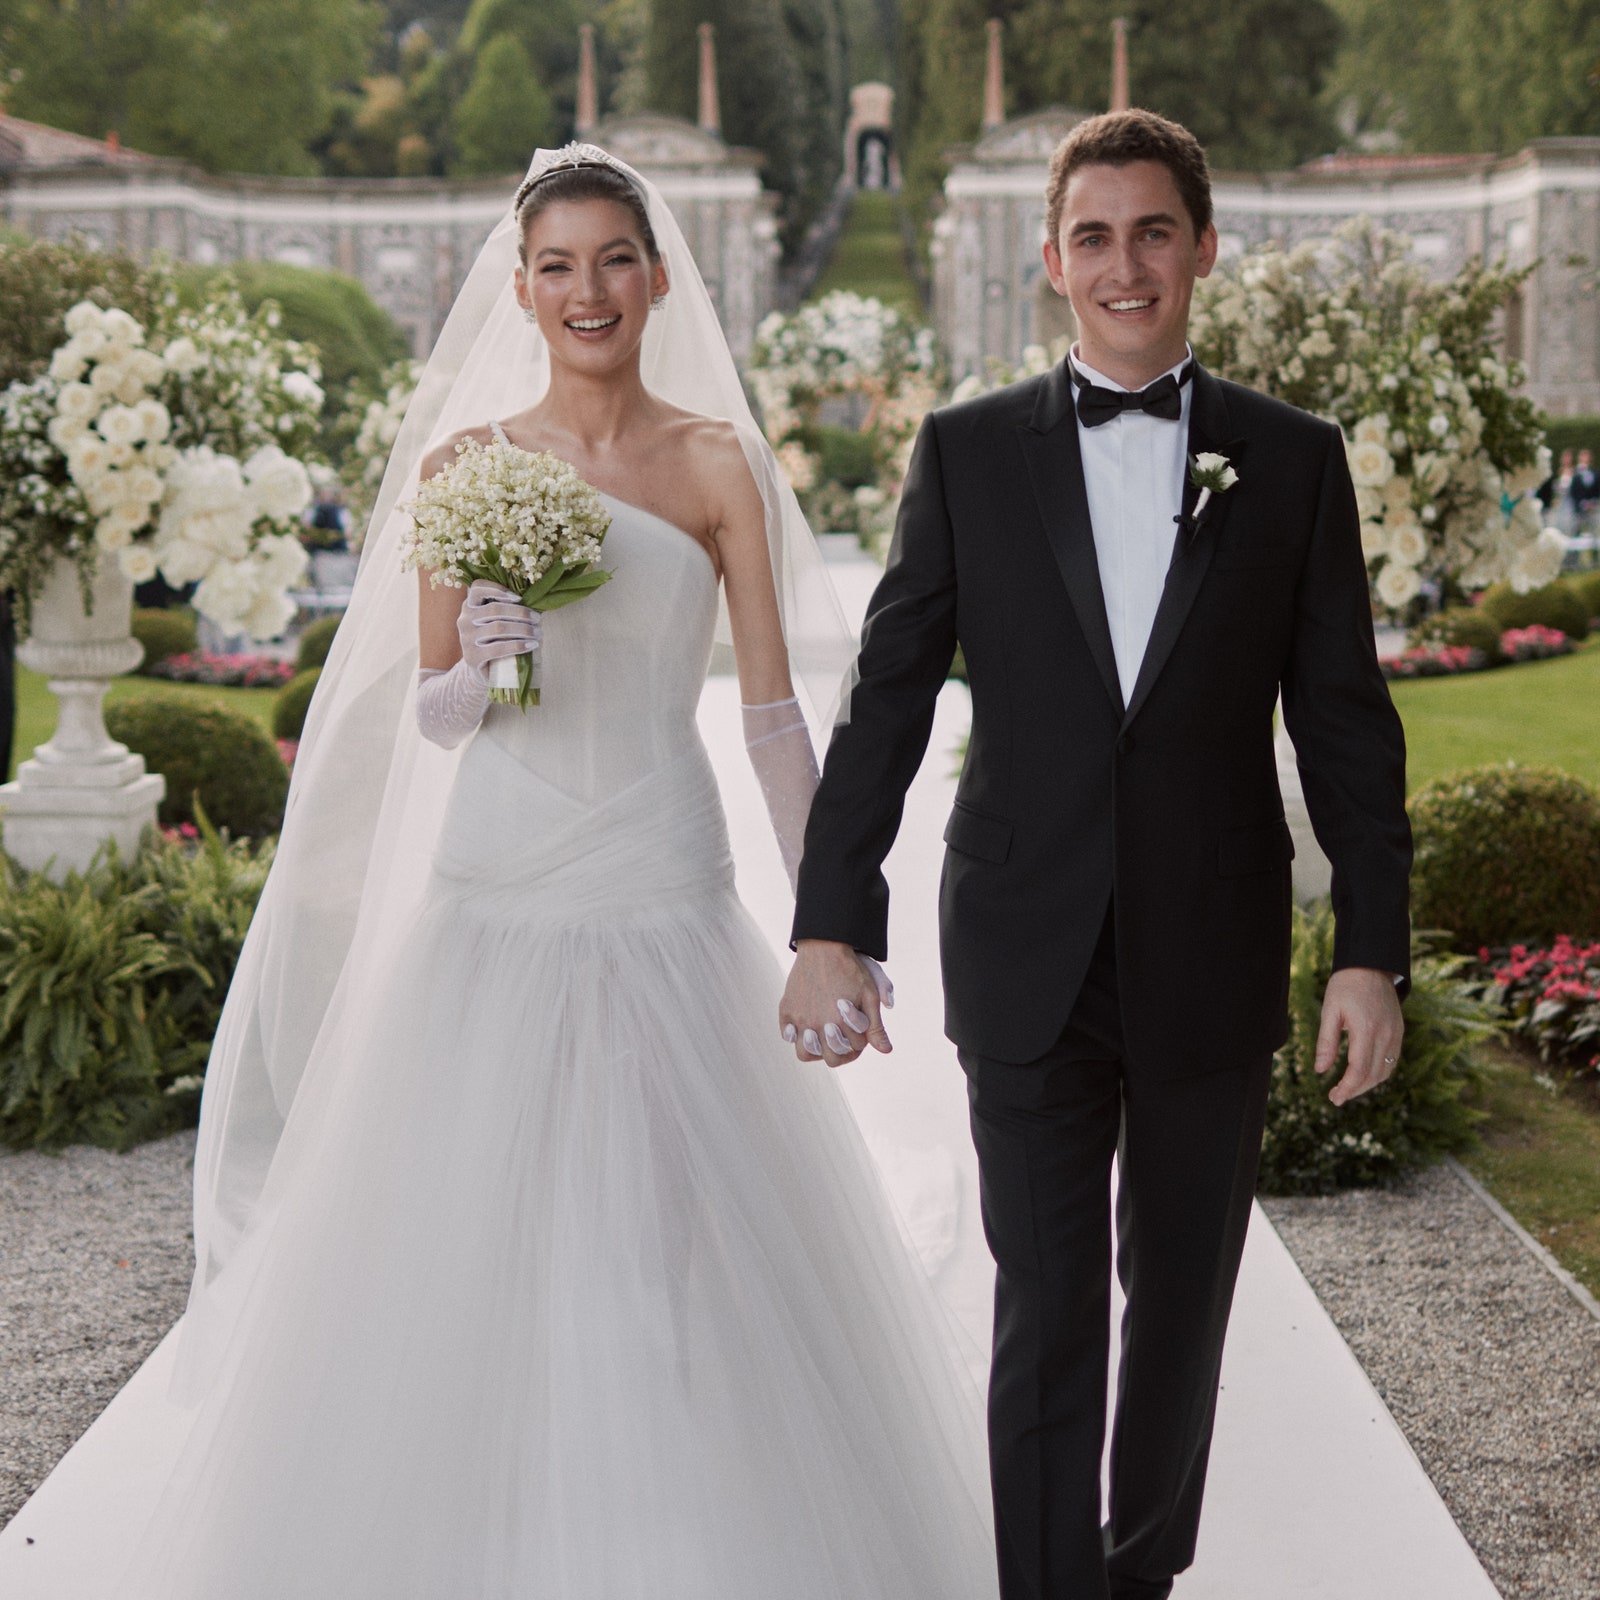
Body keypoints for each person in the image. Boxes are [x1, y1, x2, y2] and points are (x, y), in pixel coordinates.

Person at [102, 146, 997, 1598]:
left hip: (660, 871)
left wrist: (832, 920)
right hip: (501, 881)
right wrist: (483, 662)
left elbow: (773, 715)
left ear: (656, 276)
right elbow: (439, 713)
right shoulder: (467, 469)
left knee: (675, 1231)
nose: (590, 290)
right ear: (522, 292)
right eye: (560, 266)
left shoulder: (717, 464)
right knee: (474, 1224)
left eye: (615, 260)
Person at [781, 109, 1412, 1600]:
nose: (1122, 265)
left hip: (1211, 944)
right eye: (1091, 236)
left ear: (1200, 247)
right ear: (1050, 259)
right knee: (1049, 1303)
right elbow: (883, 704)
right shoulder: (964, 455)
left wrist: (1371, 950)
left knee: (1180, 1301)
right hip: (1025, 948)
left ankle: (1141, 1576)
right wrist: (829, 917)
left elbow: (1347, 726)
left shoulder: (1295, 462)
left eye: (1150, 232)